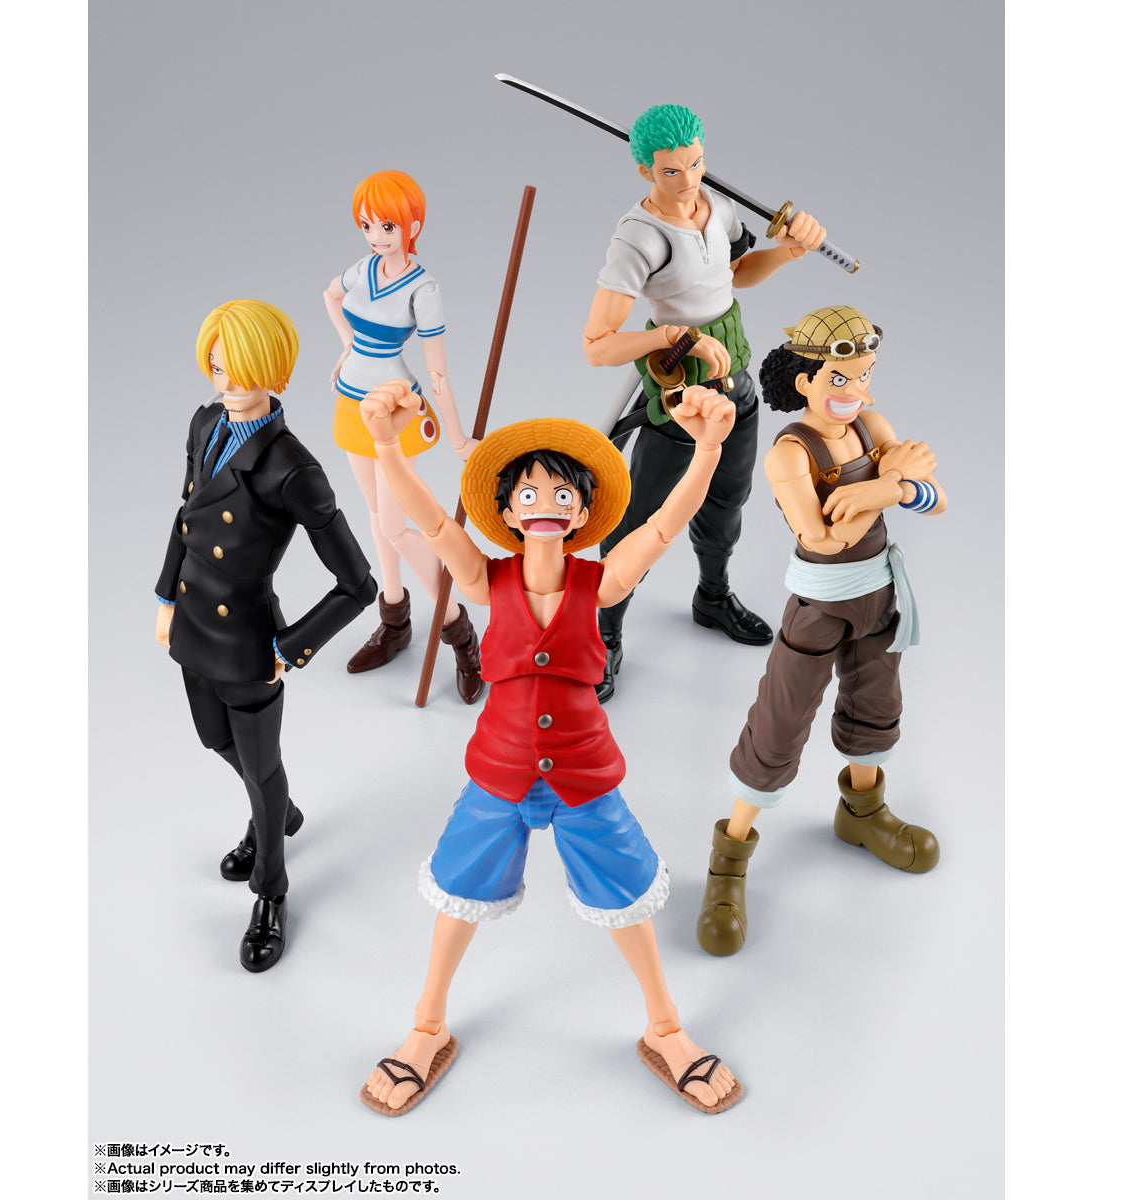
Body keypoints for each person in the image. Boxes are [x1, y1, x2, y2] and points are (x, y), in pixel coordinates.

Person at [355, 378, 742, 1116]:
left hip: (585, 775)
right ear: (505, 511)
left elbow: (665, 525)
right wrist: (385, 446)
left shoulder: (601, 583)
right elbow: (430, 520)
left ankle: (665, 1027)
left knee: (627, 894)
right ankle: (427, 1024)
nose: (546, 506)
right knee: (459, 889)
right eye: (529, 493)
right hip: (498, 772)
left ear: (583, 512)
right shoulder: (484, 577)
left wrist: (708, 452)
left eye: (563, 495)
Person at [695, 306, 946, 957]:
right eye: (840, 378)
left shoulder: (871, 427)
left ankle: (863, 812)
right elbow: (821, 538)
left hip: (881, 594)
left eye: (865, 375)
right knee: (780, 721)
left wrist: (886, 490)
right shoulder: (790, 453)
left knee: (877, 705)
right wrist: (888, 487)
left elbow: (936, 497)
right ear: (805, 381)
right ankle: (729, 860)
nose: (856, 391)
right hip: (822, 601)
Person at [154, 299, 378, 971]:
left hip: (248, 639)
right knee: (213, 739)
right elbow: (185, 516)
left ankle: (271, 889)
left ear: (275, 371)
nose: (227, 382)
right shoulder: (204, 423)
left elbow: (358, 584)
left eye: (241, 368)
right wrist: (165, 596)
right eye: (218, 366)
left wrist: (291, 647)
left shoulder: (293, 468)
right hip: (193, 621)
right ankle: (278, 811)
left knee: (260, 768)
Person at [584, 102, 828, 701]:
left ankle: (712, 596)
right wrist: (674, 336)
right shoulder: (639, 238)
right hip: (678, 396)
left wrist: (788, 252)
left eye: (696, 164)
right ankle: (603, 632)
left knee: (727, 502)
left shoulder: (719, 209)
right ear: (646, 171)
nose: (689, 180)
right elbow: (598, 346)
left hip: (735, 380)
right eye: (672, 171)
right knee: (639, 519)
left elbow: (737, 274)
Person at [323, 169, 482, 702]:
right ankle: (395, 621)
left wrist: (458, 440)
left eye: (387, 225)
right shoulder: (363, 268)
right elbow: (329, 295)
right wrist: (348, 346)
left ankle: (458, 630)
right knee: (376, 515)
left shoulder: (423, 288)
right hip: (351, 403)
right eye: (367, 225)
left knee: (395, 526)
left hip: (395, 410)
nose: (376, 236)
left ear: (412, 225)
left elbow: (438, 375)